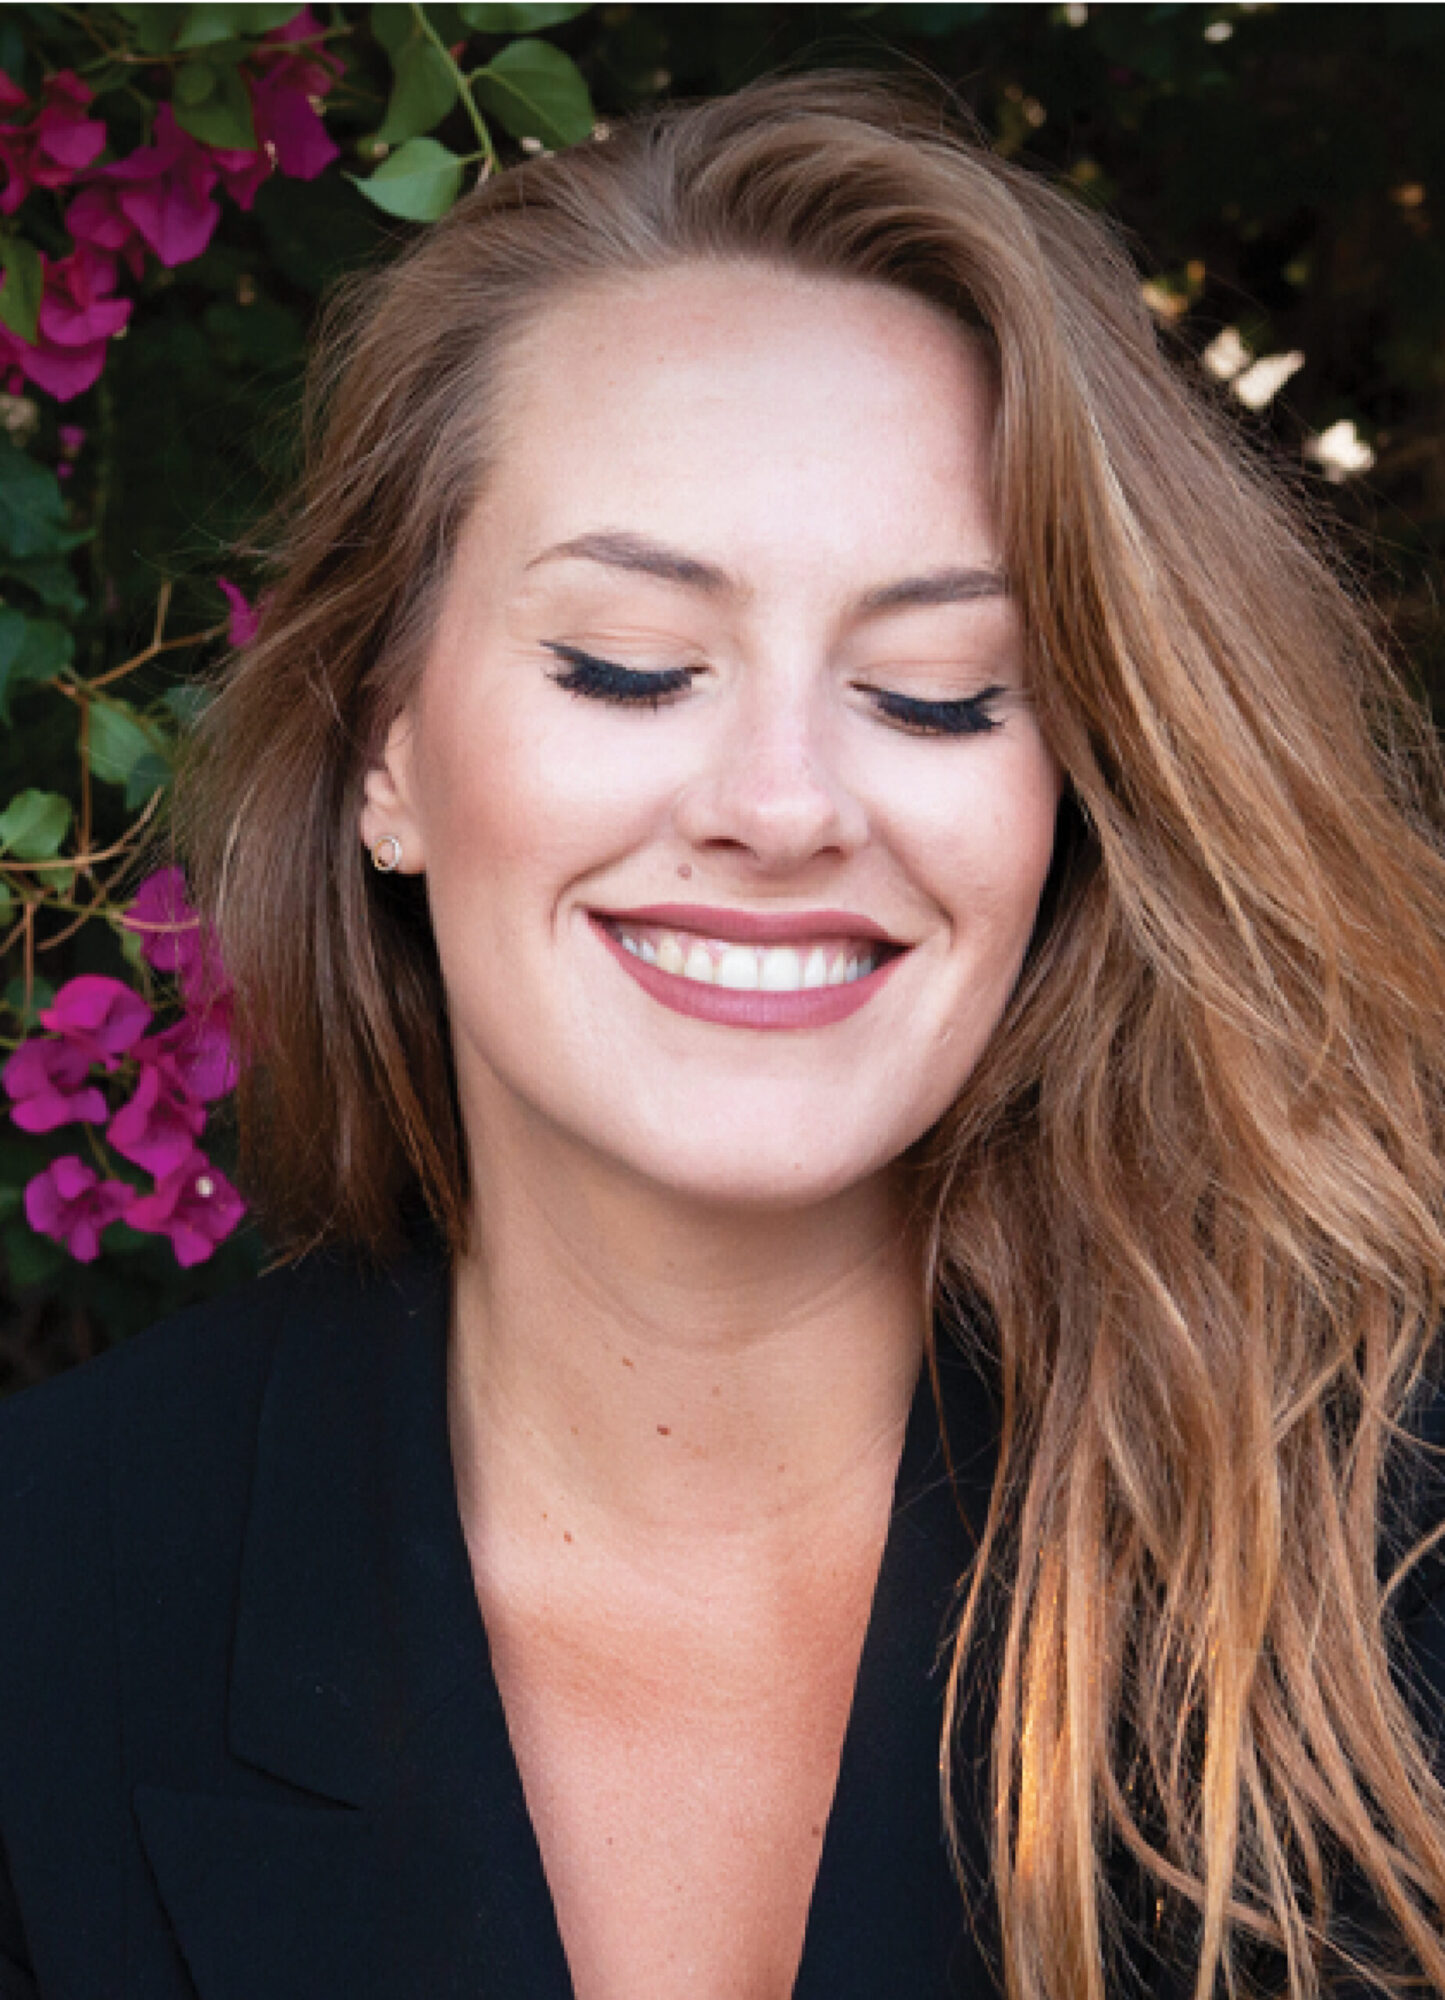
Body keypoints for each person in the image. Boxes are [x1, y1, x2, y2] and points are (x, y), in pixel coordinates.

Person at [2, 69, 1444, 2000]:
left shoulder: (1395, 1559)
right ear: (384, 752)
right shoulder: (47, 1602)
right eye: (628, 666)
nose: (782, 806)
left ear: (1075, 795)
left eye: (938, 694)